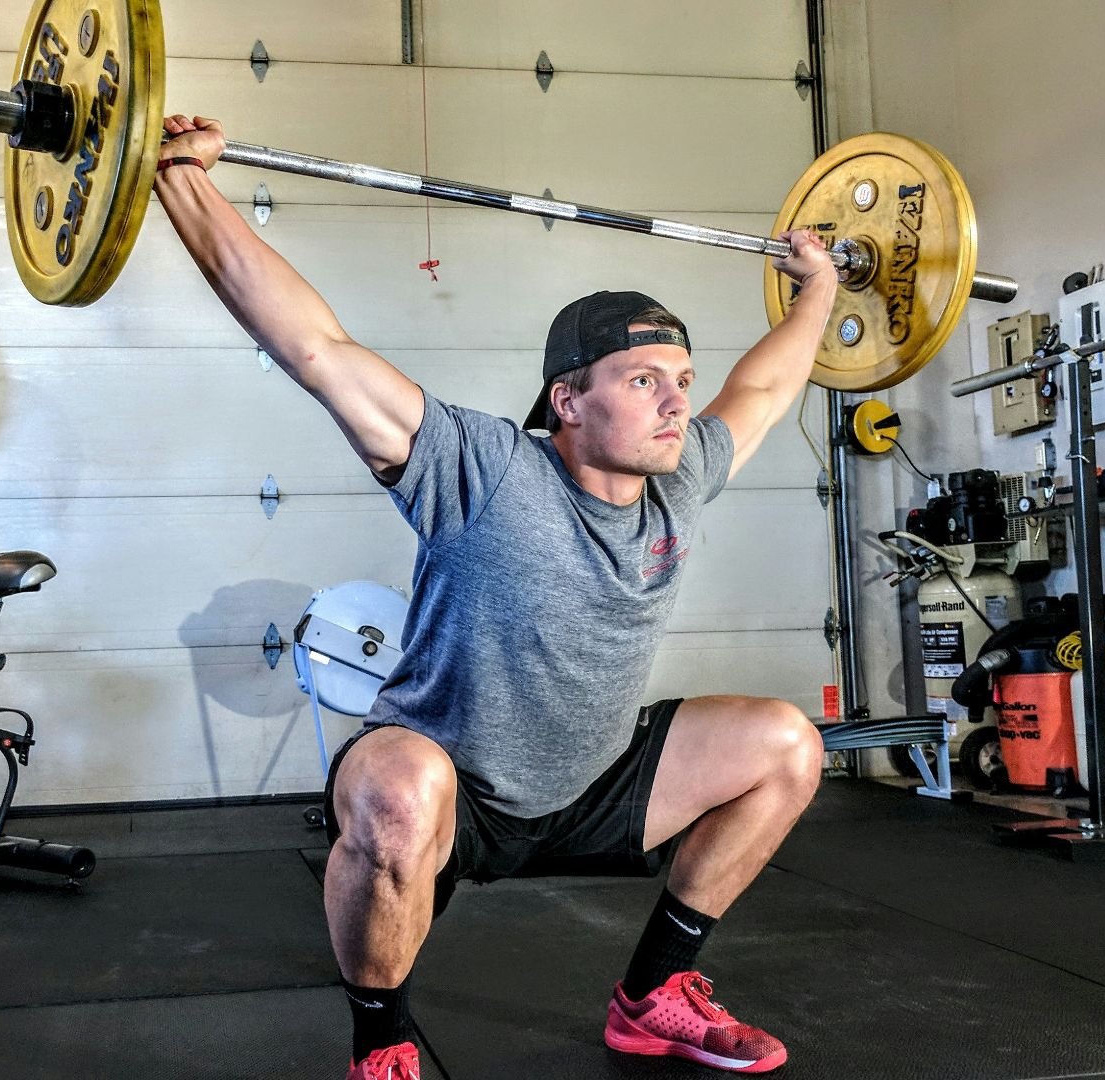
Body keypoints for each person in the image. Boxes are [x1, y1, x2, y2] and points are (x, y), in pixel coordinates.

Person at [155, 113, 835, 1078]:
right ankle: (383, 1043)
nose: (678, 401)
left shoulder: (679, 477)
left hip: (597, 778)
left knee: (787, 747)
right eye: (644, 380)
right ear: (568, 399)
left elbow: (765, 390)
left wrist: (821, 292)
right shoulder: (481, 468)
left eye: (682, 379)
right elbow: (314, 347)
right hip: (451, 778)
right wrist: (183, 182)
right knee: (395, 793)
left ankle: (654, 995)